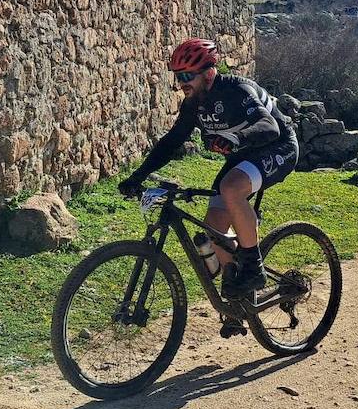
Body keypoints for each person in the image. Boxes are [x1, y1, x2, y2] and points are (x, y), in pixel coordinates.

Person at [119, 38, 299, 315]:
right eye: (178, 77)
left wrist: (237, 139)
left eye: (188, 76)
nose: (182, 83)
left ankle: (253, 268)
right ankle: (239, 298)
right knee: (214, 228)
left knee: (231, 188)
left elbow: (269, 126)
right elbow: (172, 142)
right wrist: (137, 175)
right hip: (243, 156)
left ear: (209, 73)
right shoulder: (193, 104)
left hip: (278, 146)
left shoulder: (237, 90)